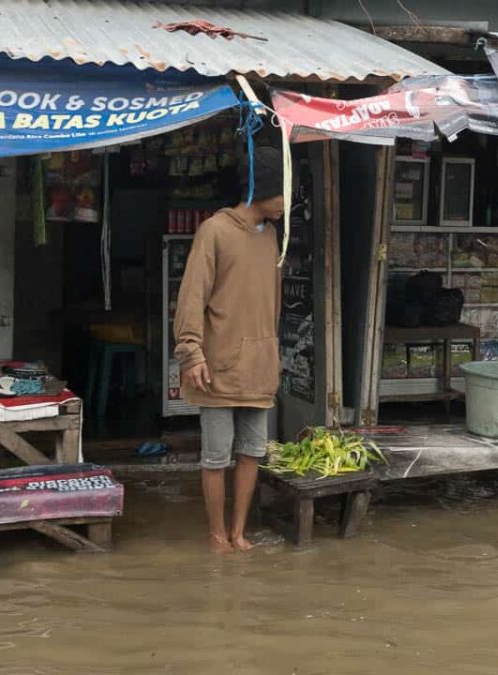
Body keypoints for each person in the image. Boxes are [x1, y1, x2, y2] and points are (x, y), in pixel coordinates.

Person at [174, 147, 284, 553]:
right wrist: (191, 352)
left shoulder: (272, 236)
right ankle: (217, 535)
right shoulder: (214, 231)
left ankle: (239, 532)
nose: (287, 202)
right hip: (216, 365)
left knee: (252, 452)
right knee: (216, 456)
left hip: (258, 365)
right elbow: (191, 297)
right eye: (282, 193)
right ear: (260, 190)